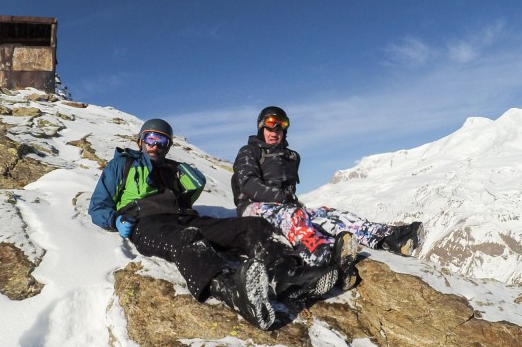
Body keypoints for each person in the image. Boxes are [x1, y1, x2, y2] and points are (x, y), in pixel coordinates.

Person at [88, 118, 342, 331]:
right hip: (145, 222)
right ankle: (232, 291)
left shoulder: (173, 169)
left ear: (168, 145)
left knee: (251, 225)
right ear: (140, 141)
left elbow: (190, 194)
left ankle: (286, 275)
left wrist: (185, 175)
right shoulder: (122, 164)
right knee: (186, 240)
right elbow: (98, 206)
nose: (155, 146)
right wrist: (114, 220)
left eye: (162, 141)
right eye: (150, 139)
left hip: (184, 216)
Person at [231, 106, 423, 276]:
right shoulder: (249, 152)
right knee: (295, 215)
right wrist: (283, 198)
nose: (275, 131)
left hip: (285, 207)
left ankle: (387, 238)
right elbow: (248, 184)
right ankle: (323, 258)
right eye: (270, 126)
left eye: (280, 127)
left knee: (331, 216)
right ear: (261, 127)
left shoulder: (291, 157)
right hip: (253, 208)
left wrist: (289, 201)